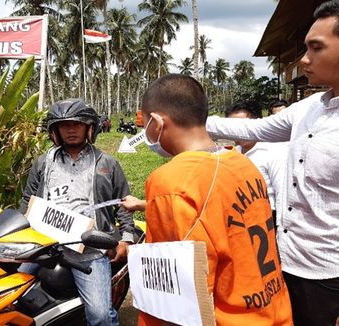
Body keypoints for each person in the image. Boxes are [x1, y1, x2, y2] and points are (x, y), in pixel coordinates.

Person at [206, 2, 339, 325]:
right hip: (285, 260)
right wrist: (190, 120)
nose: (303, 59)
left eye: (316, 48)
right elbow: (252, 130)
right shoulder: (309, 107)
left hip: (329, 276)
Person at [137, 74, 292, 325]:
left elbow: (176, 296)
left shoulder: (173, 182)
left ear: (155, 123)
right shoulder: (243, 164)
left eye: (143, 123)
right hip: (274, 312)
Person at [19, 98, 135, 326]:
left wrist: (127, 239)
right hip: (45, 244)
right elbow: (28, 200)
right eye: (64, 125)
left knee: (100, 315)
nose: (70, 130)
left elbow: (123, 202)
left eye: (77, 124)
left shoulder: (107, 163)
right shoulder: (43, 163)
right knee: (10, 291)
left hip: (90, 248)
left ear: (89, 127)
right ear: (55, 131)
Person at [225, 101, 286, 221]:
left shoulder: (273, 152)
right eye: (233, 127)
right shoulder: (231, 154)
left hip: (268, 218)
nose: (238, 131)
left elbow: (282, 194)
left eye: (243, 126)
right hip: (241, 219)